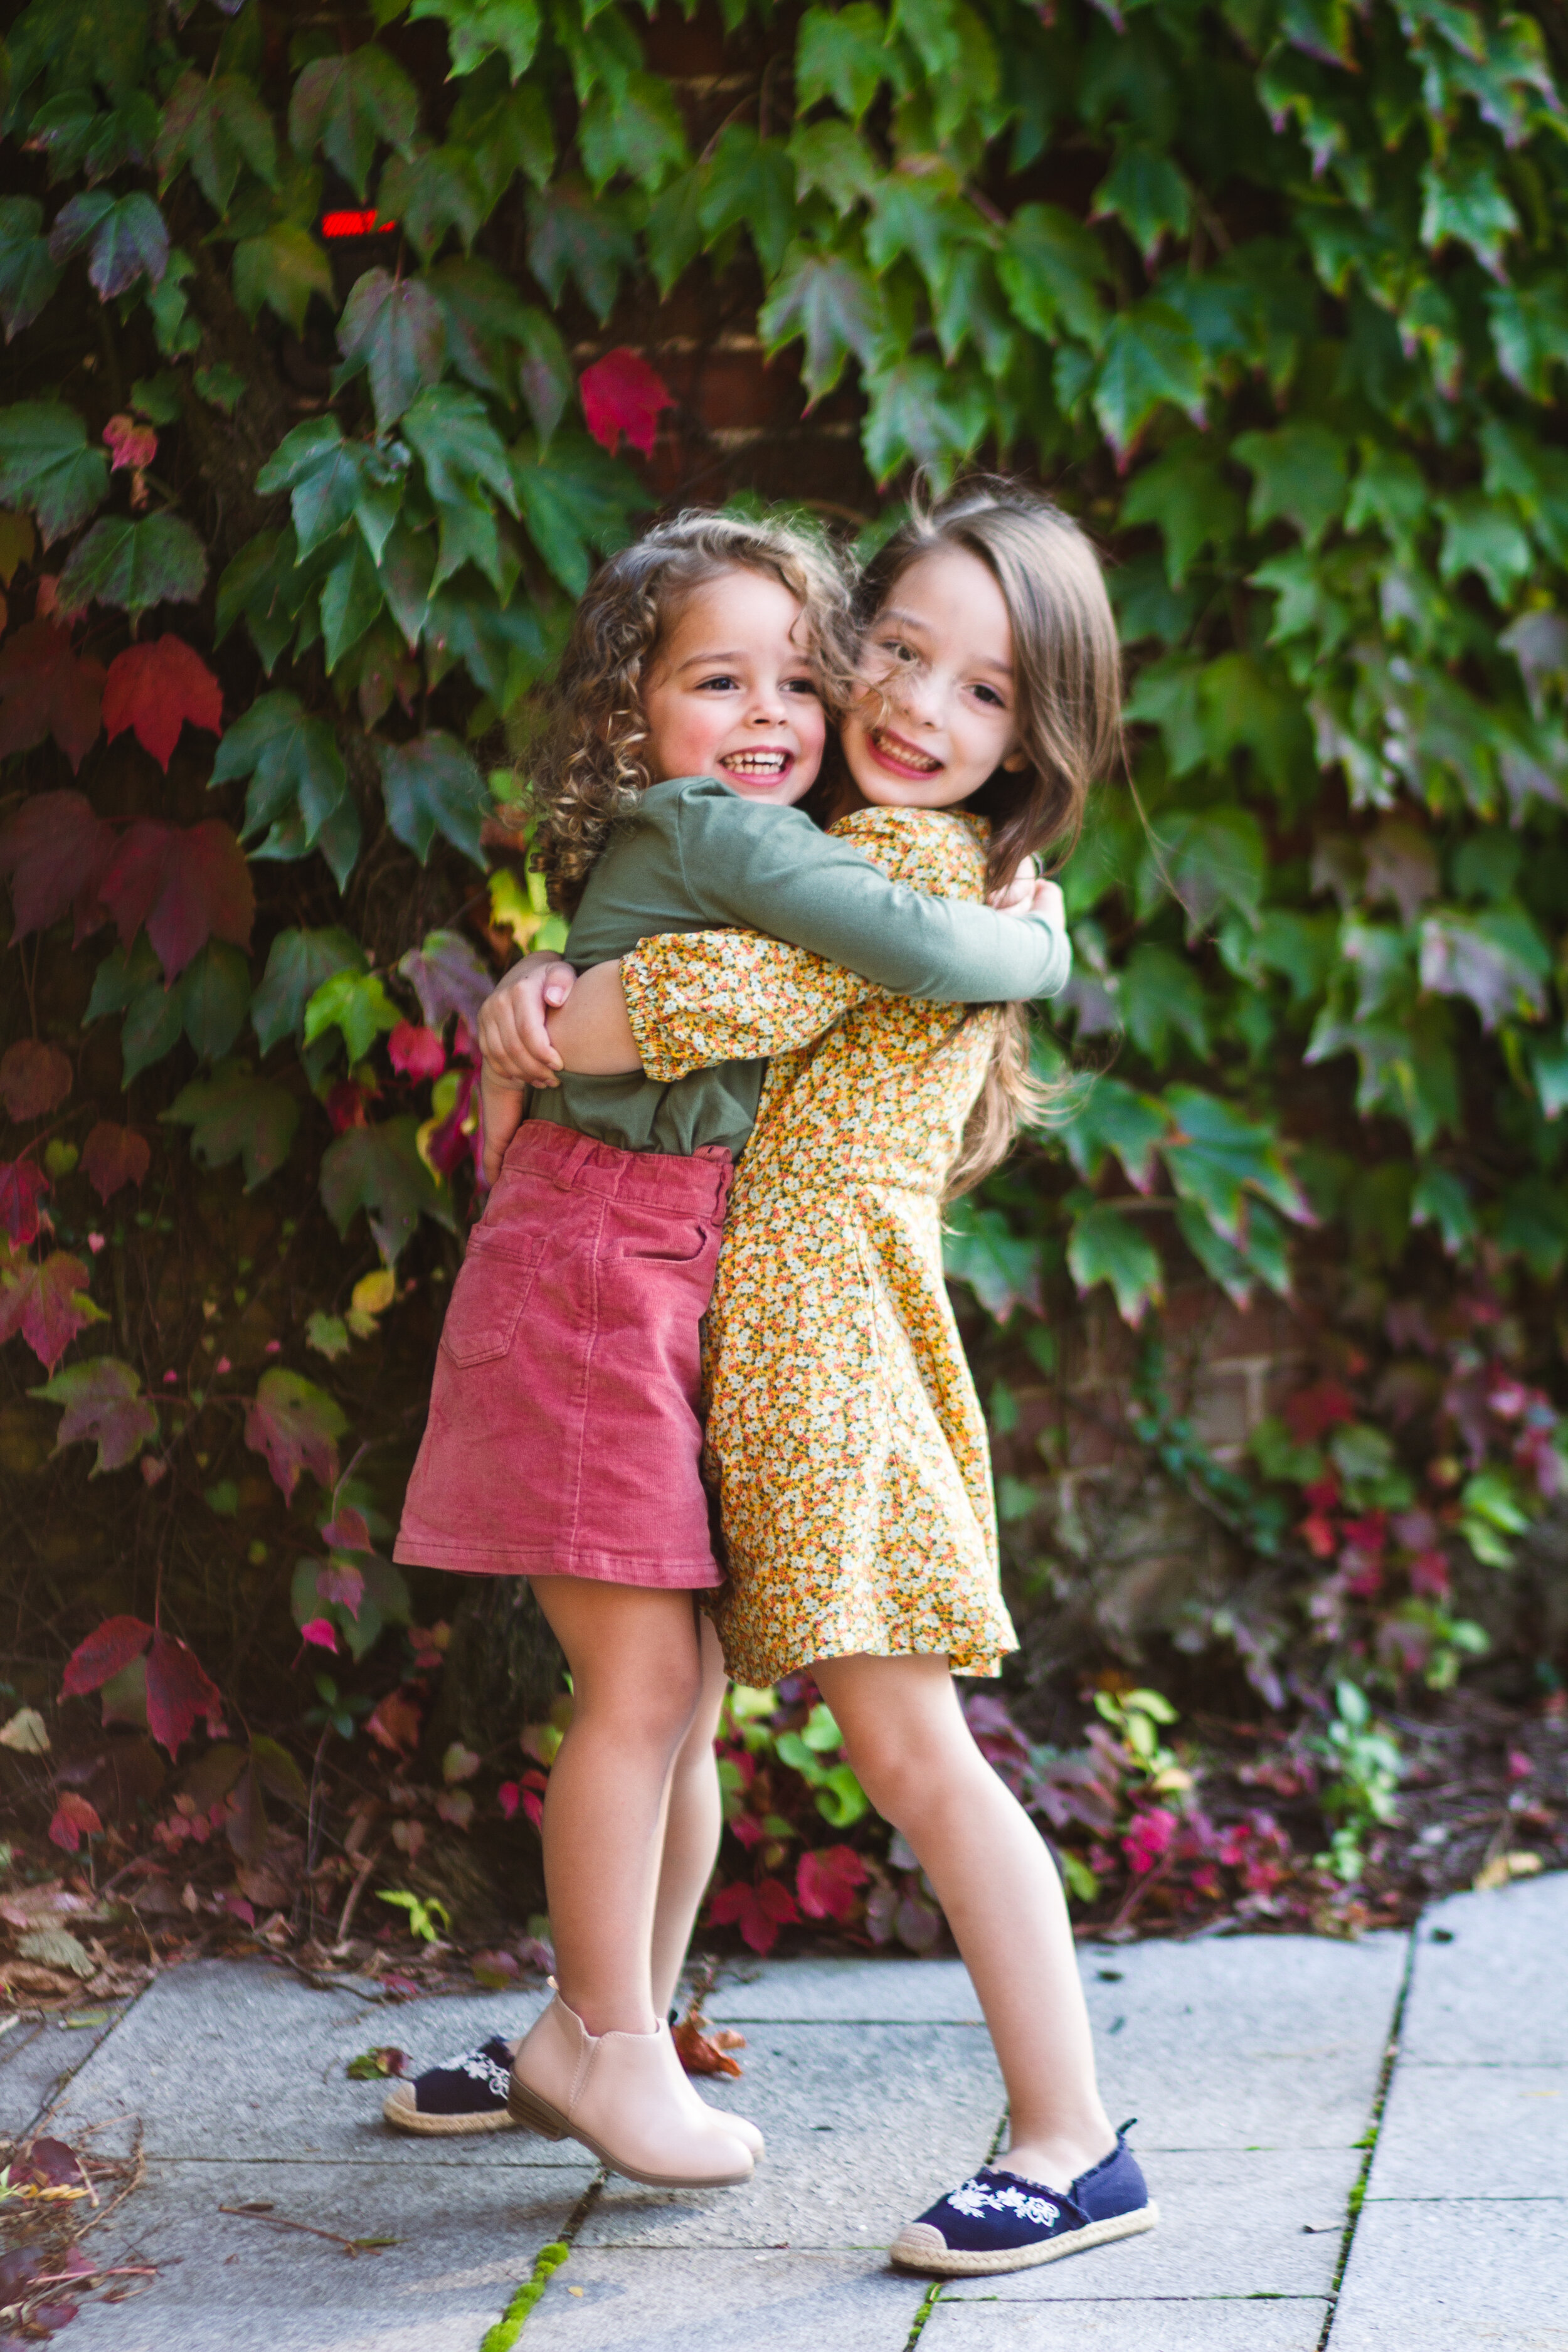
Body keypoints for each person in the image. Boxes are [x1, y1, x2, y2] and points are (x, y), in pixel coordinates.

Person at [469, 480, 1158, 2279]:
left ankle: (1071, 2139)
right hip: (746, 1335)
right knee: (675, 1698)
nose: (923, 708)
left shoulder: (917, 879)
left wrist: (541, 1002)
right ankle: (596, 2031)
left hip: (827, 1356)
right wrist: (545, 977)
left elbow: (659, 1011)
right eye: (902, 653)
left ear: (1040, 736)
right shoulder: (838, 844)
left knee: (912, 1751)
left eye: (986, 694)